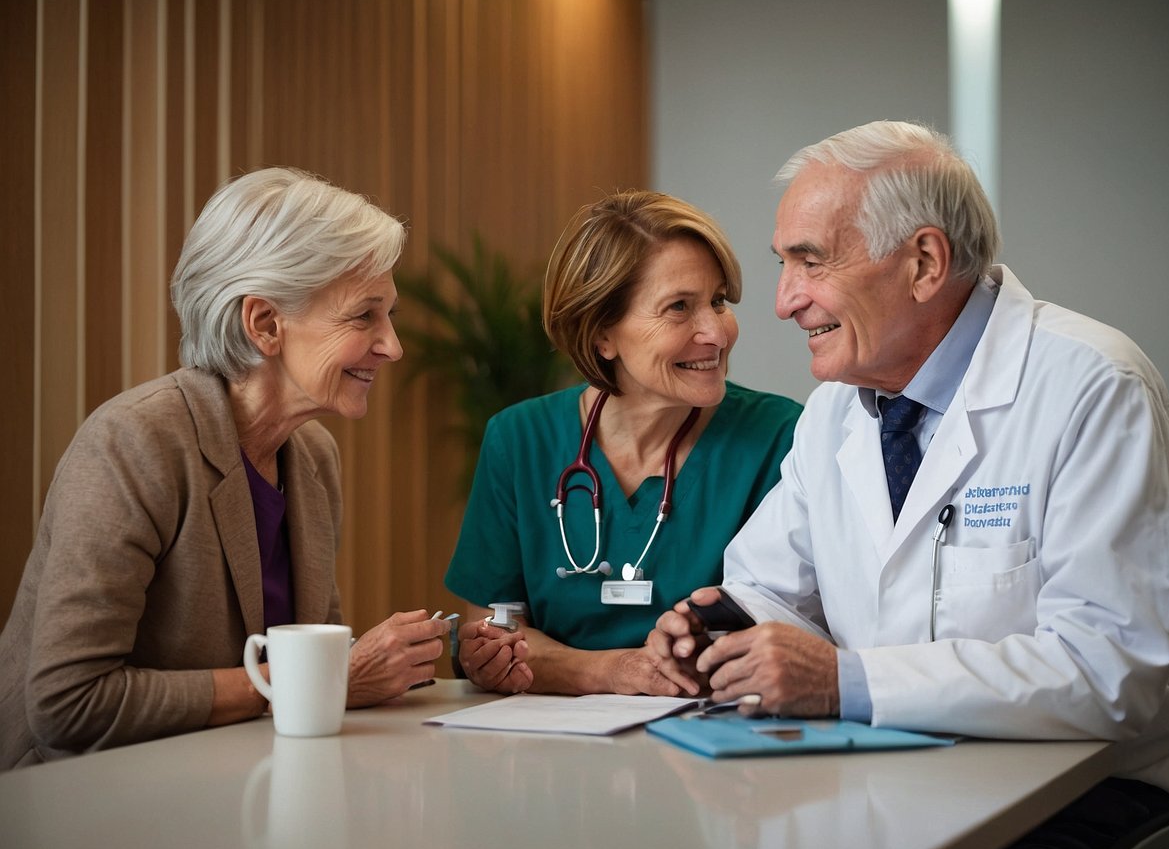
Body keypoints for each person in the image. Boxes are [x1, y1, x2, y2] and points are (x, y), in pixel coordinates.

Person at [649, 121, 1169, 849]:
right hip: (879, 775)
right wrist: (715, 630)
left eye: (810, 262)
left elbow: (1107, 675)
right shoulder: (835, 412)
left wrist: (846, 681)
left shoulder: (1093, 388)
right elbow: (769, 587)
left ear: (924, 262)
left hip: (1082, 795)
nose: (783, 302)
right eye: (784, 265)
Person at [0, 167, 450, 769]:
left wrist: (375, 670)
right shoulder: (133, 443)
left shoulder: (313, 456)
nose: (392, 345)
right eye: (364, 316)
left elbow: (318, 678)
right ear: (264, 323)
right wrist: (314, 681)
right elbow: (68, 705)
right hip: (83, 806)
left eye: (388, 315)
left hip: (235, 789)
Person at [447, 191, 802, 696]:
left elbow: (793, 630)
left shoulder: (779, 437)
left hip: (713, 742)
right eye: (679, 307)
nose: (717, 333)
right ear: (602, 335)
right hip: (547, 752)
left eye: (718, 302)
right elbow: (493, 633)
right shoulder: (519, 439)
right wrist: (609, 671)